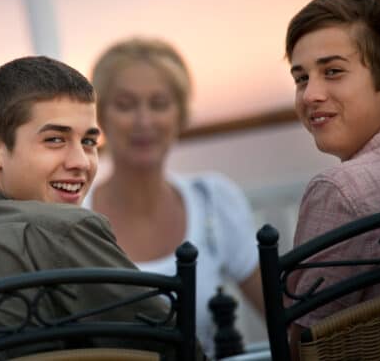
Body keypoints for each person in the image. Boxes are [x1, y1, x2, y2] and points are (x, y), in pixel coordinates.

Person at [0, 56, 203, 360]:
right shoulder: (61, 229)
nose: (81, 162)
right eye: (55, 140)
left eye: (88, 142)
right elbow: (176, 347)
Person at [87, 38, 264, 356]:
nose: (144, 121)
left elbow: (285, 317)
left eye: (159, 104)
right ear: (100, 117)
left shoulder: (213, 200)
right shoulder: (73, 221)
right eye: (126, 105)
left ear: (180, 114)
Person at [285, 0, 380, 357]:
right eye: (301, 78)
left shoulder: (342, 190)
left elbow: (304, 349)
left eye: (332, 72)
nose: (310, 94)